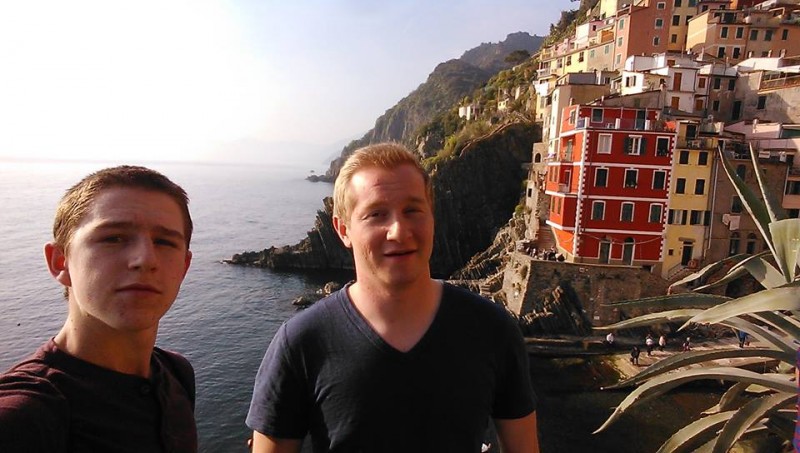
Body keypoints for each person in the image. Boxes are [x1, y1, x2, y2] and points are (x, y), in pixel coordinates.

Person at [246, 143, 539, 452]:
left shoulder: (492, 330)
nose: (398, 231)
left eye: (412, 210)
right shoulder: (302, 342)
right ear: (343, 229)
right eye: (376, 214)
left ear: (432, 217)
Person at [0, 166, 197, 452]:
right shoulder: (24, 417)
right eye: (113, 238)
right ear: (60, 262)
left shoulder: (175, 374)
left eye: (165, 242)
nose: (145, 259)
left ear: (184, 267)